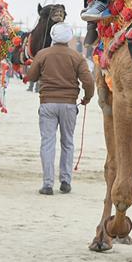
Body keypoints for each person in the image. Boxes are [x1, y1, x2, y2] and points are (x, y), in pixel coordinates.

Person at [25, 22, 94, 195]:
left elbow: (31, 77)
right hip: (69, 104)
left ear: (53, 36)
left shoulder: (42, 54)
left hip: (47, 103)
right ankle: (65, 181)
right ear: (69, 37)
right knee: (68, 142)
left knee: (47, 143)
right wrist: (87, 98)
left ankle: (48, 184)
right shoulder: (77, 57)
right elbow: (88, 82)